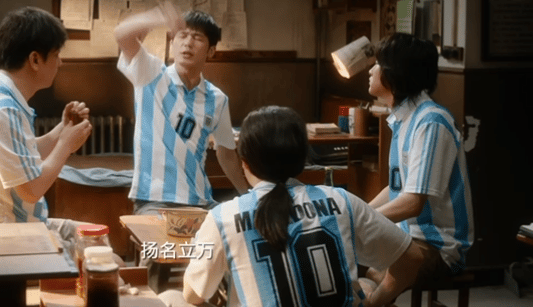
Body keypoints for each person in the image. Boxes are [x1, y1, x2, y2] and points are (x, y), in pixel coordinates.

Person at [162, 105, 422, 307]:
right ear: (303, 158)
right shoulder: (342, 200)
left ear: (245, 162)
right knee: (365, 285)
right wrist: (375, 302)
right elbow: (412, 257)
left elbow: (194, 294)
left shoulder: (223, 217)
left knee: (170, 297)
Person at [0, 6, 93, 253]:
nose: (60, 62)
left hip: (7, 225)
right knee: (103, 256)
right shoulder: (2, 111)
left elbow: (20, 155)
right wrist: (65, 146)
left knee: (96, 236)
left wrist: (61, 130)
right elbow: (31, 190)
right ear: (35, 60)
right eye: (56, 54)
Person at [114, 3, 249, 215]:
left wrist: (247, 194)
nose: (188, 42)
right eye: (182, 35)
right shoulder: (151, 75)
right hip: (154, 201)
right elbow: (122, 34)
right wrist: (159, 16)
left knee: (236, 229)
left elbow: (226, 154)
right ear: (172, 43)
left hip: (201, 201)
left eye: (197, 37)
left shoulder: (218, 99)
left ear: (211, 50)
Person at [366, 32, 474, 286]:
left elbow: (412, 203)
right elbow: (397, 189)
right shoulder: (404, 118)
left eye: (378, 64)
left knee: (372, 272)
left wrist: (362, 222)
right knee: (343, 257)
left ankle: (371, 299)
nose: (371, 70)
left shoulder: (430, 122)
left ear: (396, 73)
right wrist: (355, 212)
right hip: (407, 235)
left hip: (439, 246)